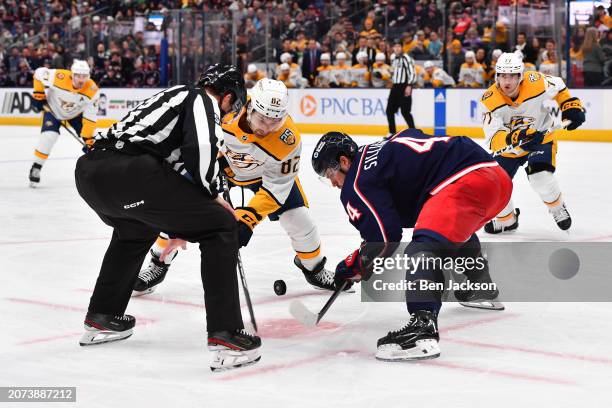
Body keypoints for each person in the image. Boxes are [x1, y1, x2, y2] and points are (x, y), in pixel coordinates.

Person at [74, 64, 262, 372]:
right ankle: (226, 335)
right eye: (232, 108)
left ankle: (103, 317)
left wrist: (177, 220)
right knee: (222, 226)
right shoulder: (201, 98)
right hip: (131, 174)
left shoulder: (170, 96)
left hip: (91, 174)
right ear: (227, 97)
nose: (228, 115)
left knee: (135, 230)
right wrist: (215, 199)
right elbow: (200, 150)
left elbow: (169, 167)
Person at [133, 79, 348, 296]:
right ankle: (158, 262)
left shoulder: (288, 140)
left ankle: (314, 269)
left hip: (265, 175)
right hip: (225, 169)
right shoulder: (225, 116)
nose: (267, 127)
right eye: (262, 119)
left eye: (275, 121)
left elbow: (277, 186)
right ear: (250, 107)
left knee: (300, 221)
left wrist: (248, 219)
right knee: (180, 209)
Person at [311, 129, 512, 361]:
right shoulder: (382, 148)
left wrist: (355, 266)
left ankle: (422, 330)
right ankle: (480, 286)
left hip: (466, 181)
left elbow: (384, 240)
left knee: (424, 246)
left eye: (330, 174)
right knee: (449, 228)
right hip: (496, 177)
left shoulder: (355, 182)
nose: (334, 183)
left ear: (344, 161)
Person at [480, 53, 585, 234]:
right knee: (494, 184)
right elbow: (494, 138)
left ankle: (557, 207)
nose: (507, 81)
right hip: (513, 147)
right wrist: (518, 137)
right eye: (503, 75)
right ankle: (507, 220)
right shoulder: (489, 100)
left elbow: (559, 87)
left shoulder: (535, 81)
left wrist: (570, 106)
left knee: (540, 177)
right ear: (497, 76)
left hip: (541, 139)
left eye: (512, 76)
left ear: (520, 76)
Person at [29, 60, 99, 187]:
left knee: (92, 145)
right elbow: (38, 73)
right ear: (72, 74)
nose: (81, 80)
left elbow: (90, 118)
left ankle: (96, 172)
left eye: (84, 76)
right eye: (78, 76)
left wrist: (88, 139)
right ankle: (36, 167)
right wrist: (38, 94)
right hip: (53, 110)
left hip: (75, 115)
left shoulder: (92, 90)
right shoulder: (59, 76)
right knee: (49, 137)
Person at [386, 41, 416, 136]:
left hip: (404, 85)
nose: (397, 48)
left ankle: (413, 132)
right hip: (395, 86)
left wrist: (409, 86)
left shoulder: (406, 58)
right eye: (395, 46)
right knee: (389, 110)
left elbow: (412, 72)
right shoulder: (393, 58)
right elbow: (394, 71)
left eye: (399, 46)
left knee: (405, 111)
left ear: (402, 47)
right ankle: (392, 132)